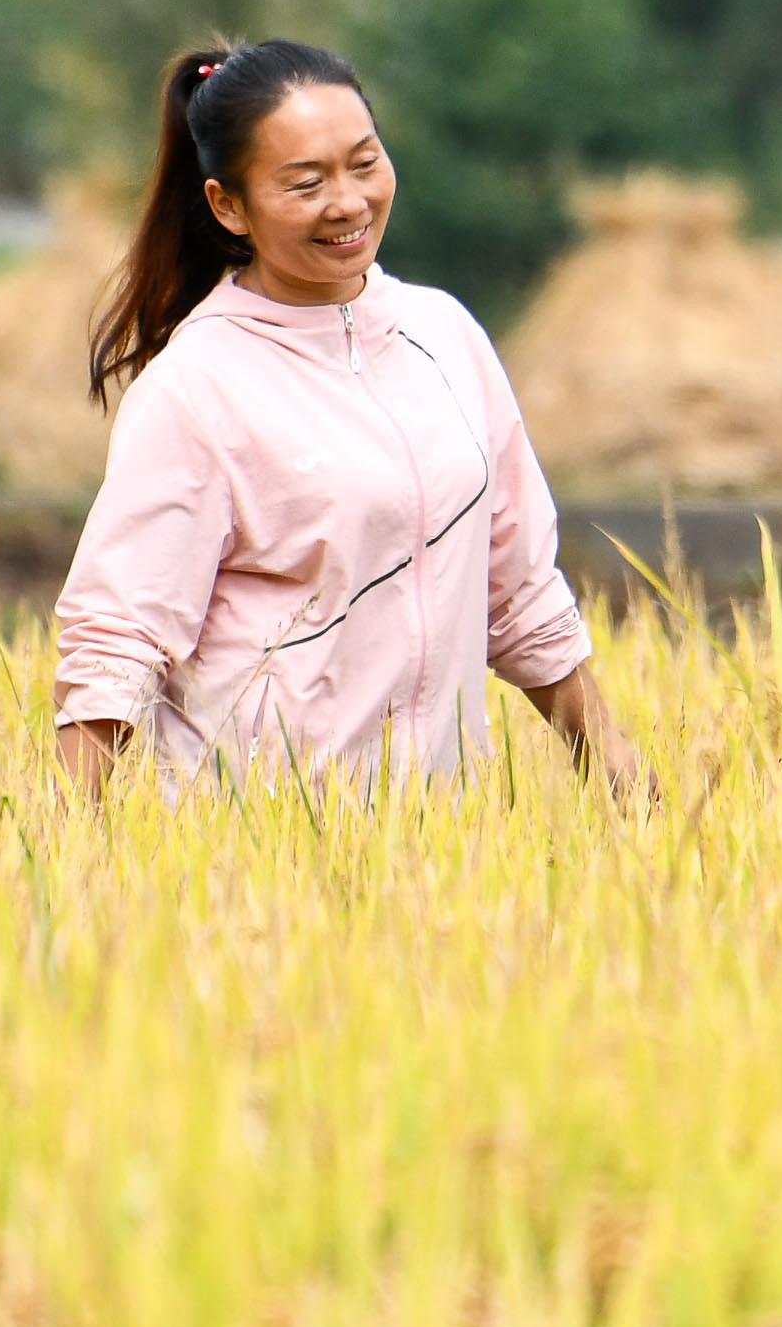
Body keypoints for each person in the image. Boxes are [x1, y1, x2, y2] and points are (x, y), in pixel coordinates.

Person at [48, 39, 648, 801]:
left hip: (441, 828)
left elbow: (516, 586)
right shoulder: (196, 385)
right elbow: (121, 631)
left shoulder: (445, 334)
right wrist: (67, 839)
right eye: (306, 183)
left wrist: (618, 769)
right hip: (255, 828)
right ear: (228, 205)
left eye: (364, 164)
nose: (348, 203)